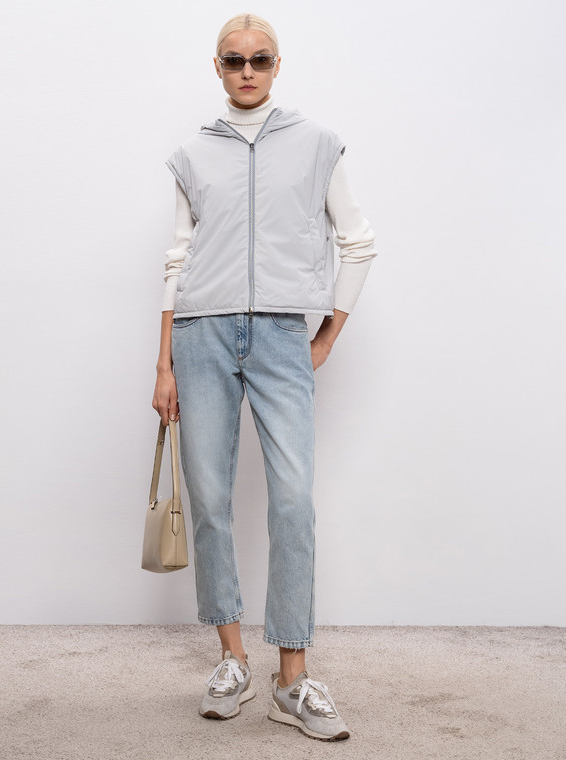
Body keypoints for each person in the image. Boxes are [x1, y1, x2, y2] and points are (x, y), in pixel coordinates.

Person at [152, 12, 378, 742]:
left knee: (292, 502)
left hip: (282, 333)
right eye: (233, 60)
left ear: (278, 65)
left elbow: (358, 242)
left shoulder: (317, 144)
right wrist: (164, 361)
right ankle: (231, 660)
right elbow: (179, 257)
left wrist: (328, 334)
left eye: (259, 59)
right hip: (201, 333)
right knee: (210, 498)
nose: (246, 70)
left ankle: (292, 677)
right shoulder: (192, 154)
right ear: (216, 67)